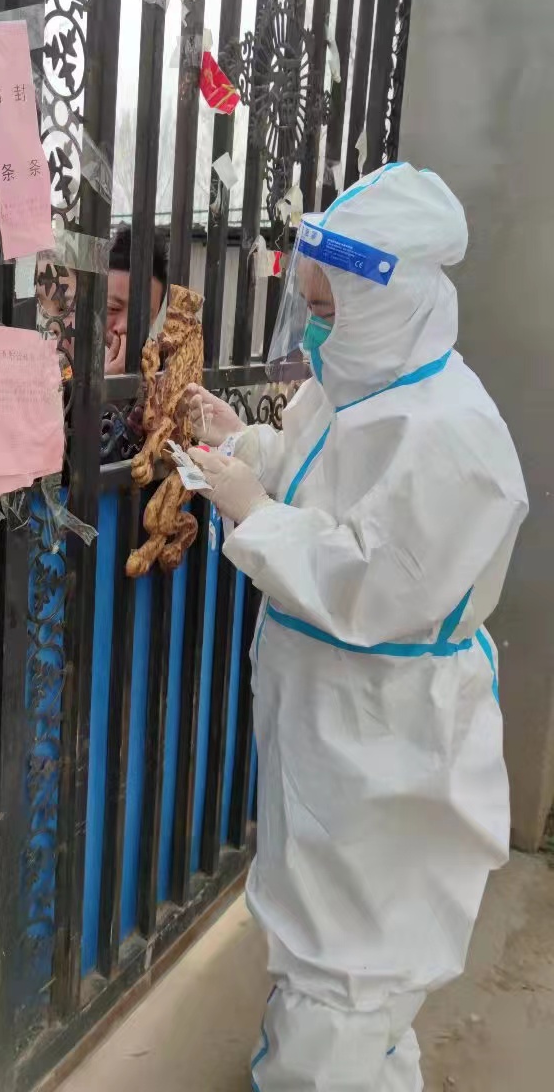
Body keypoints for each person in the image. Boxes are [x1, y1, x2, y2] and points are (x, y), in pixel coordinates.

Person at [183, 164, 527, 1091]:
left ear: (392, 299)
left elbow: (379, 585)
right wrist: (241, 444)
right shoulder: (359, 381)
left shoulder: (452, 434)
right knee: (336, 925)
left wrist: (255, 513)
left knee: (350, 949)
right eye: (309, 306)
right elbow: (314, 470)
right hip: (330, 710)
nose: (314, 329)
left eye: (330, 309)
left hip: (383, 725)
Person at [104, 222, 168, 374]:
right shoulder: (64, 357)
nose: (124, 326)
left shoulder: (165, 369)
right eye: (112, 308)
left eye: (141, 316)